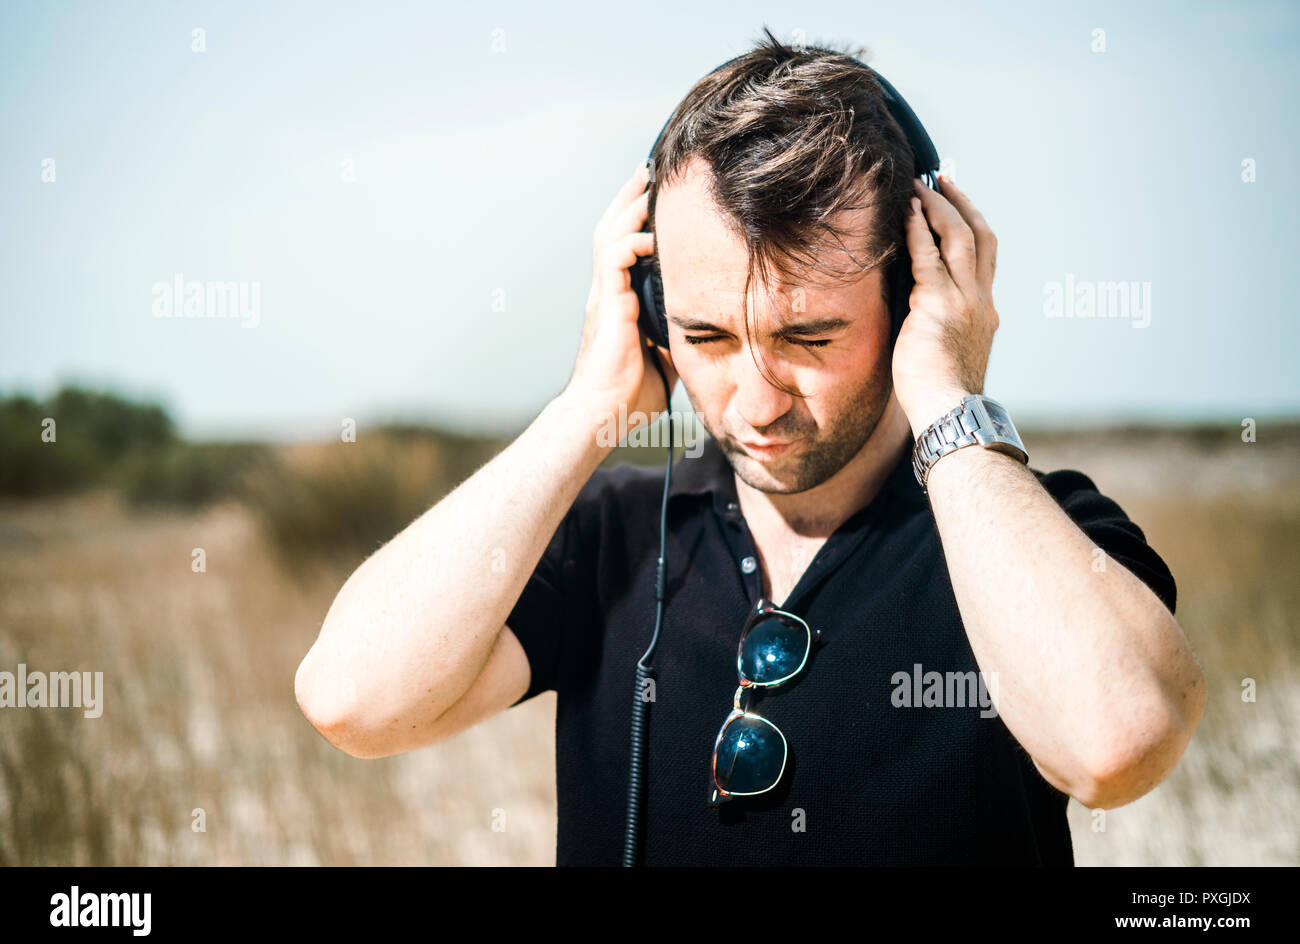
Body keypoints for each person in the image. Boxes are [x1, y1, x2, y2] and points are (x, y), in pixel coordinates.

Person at [294, 32, 1206, 866]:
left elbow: (1114, 744)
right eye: (709, 338)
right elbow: (353, 700)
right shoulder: (611, 538)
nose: (756, 402)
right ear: (651, 310)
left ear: (919, 291)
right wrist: (589, 407)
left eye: (809, 338)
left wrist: (949, 400)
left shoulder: (1034, 532)